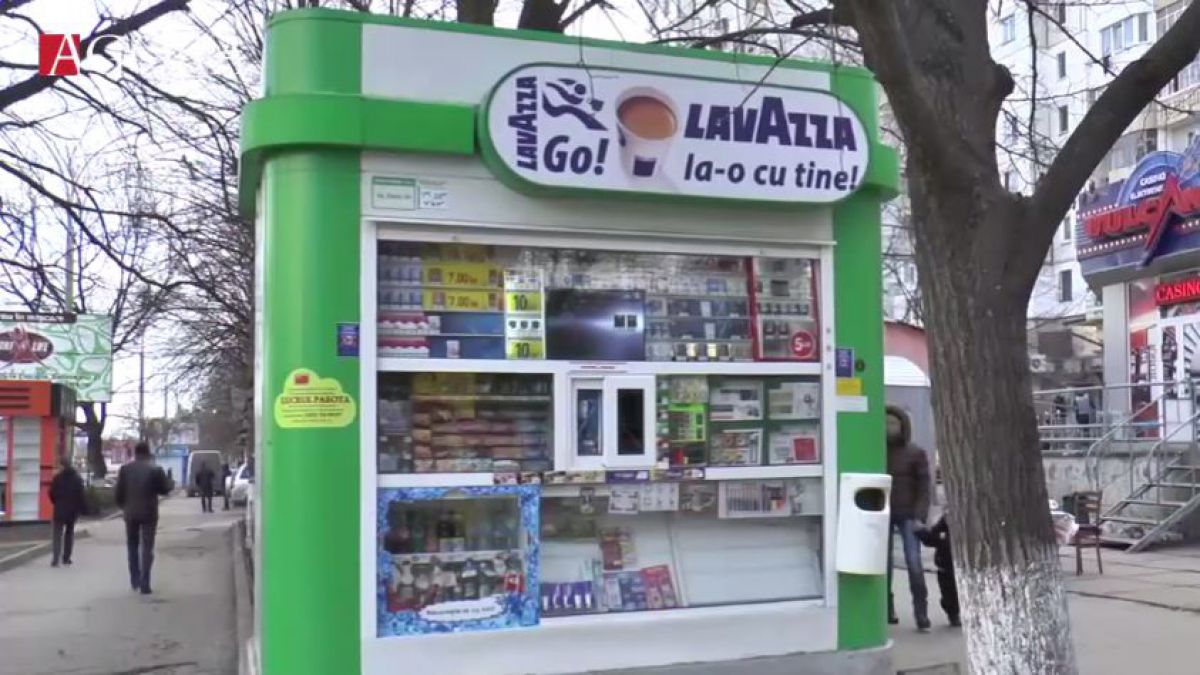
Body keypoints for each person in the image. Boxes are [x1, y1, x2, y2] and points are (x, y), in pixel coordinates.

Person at [886, 405, 932, 632]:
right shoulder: (875, 451)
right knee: (883, 566)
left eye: (893, 423)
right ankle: (887, 607)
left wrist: (920, 516)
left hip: (909, 515)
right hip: (883, 513)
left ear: (902, 426)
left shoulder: (915, 453)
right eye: (885, 423)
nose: (888, 428)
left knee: (914, 563)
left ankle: (921, 612)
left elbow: (924, 487)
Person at [115, 441, 173, 594]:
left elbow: (119, 493)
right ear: (148, 453)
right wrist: (169, 480)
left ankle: (134, 579)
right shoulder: (155, 470)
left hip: (130, 512)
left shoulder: (125, 470)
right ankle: (145, 582)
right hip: (149, 513)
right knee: (147, 547)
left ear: (135, 453)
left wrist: (123, 506)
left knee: (132, 546)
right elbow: (165, 489)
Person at [916, 512, 960, 627]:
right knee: (949, 592)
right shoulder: (947, 520)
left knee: (957, 592)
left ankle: (954, 611)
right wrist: (921, 532)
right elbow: (931, 538)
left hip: (960, 564)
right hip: (945, 565)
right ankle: (952, 612)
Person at [48, 457, 86, 567]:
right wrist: (80, 509)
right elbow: (81, 495)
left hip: (59, 509)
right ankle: (66, 558)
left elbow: (51, 493)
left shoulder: (57, 478)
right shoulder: (77, 479)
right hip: (72, 511)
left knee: (57, 534)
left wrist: (56, 502)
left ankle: (56, 559)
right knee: (69, 534)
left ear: (62, 465)